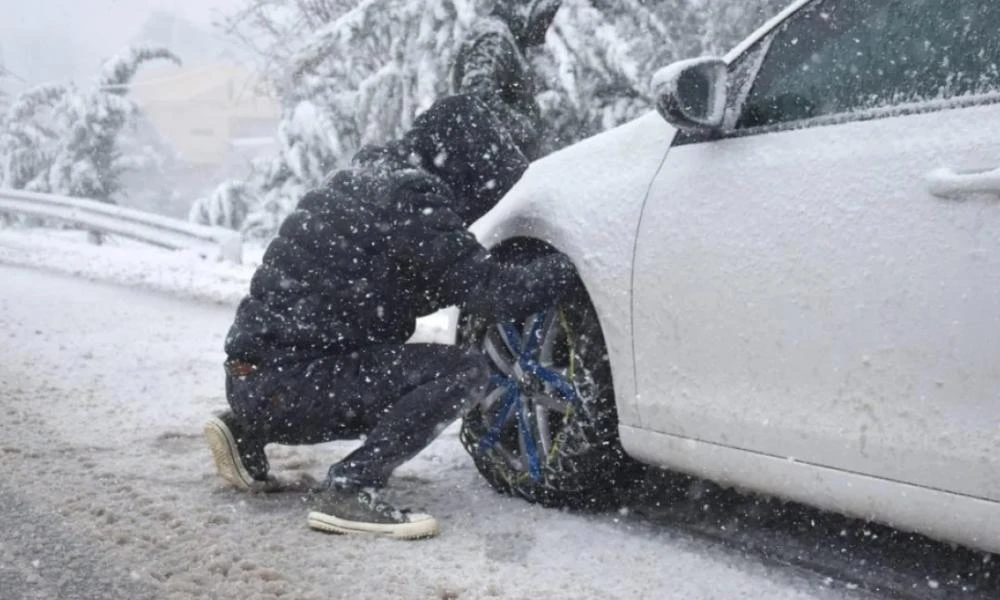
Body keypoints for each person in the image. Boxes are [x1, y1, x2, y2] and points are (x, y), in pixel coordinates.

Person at [203, 0, 569, 540]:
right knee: (461, 373)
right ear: (467, 167)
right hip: (294, 382)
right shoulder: (413, 202)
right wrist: (573, 268)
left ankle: (248, 426)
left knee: (366, 365)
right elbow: (490, 293)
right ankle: (350, 488)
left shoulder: (373, 180)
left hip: (256, 378)